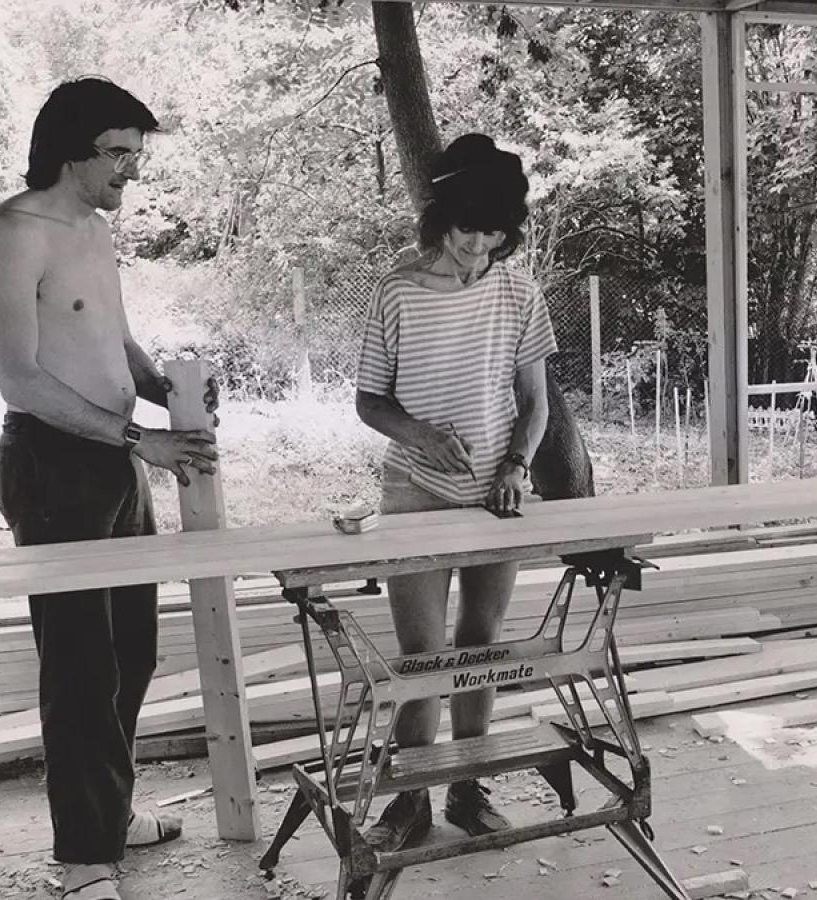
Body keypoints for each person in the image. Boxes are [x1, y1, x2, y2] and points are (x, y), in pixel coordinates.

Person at [0, 77, 219, 900]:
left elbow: (113, 337)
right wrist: (142, 438)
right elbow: (21, 380)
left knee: (131, 653)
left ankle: (109, 815)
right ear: (68, 151)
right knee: (79, 669)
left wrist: (167, 393)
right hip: (51, 465)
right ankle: (83, 858)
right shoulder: (11, 233)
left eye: (137, 155)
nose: (131, 171)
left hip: (114, 460)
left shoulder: (95, 229)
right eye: (117, 154)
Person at [354, 134, 557, 850]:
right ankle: (409, 800)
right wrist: (417, 434)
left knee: (480, 645)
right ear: (442, 220)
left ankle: (469, 786)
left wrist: (517, 467)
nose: (479, 246)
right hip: (415, 490)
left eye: (494, 234)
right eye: (468, 229)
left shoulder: (519, 291)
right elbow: (369, 401)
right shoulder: (396, 290)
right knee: (422, 655)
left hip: (496, 494)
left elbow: (536, 404)